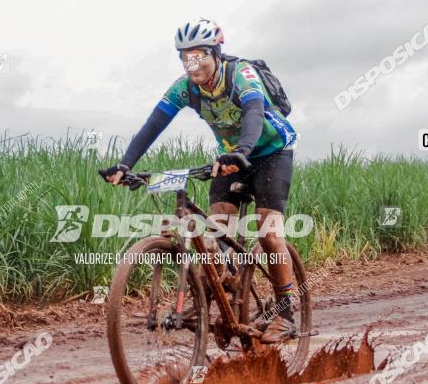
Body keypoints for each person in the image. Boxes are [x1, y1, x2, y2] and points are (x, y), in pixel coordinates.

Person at [101, 18, 298, 343]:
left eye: (198, 55)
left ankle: (286, 313)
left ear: (216, 53)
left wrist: (242, 152)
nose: (192, 64)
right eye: (185, 57)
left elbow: (253, 113)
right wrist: (125, 165)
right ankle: (228, 289)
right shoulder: (184, 88)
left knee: (269, 232)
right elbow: (154, 124)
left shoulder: (242, 75)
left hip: (271, 151)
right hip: (230, 157)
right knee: (217, 231)